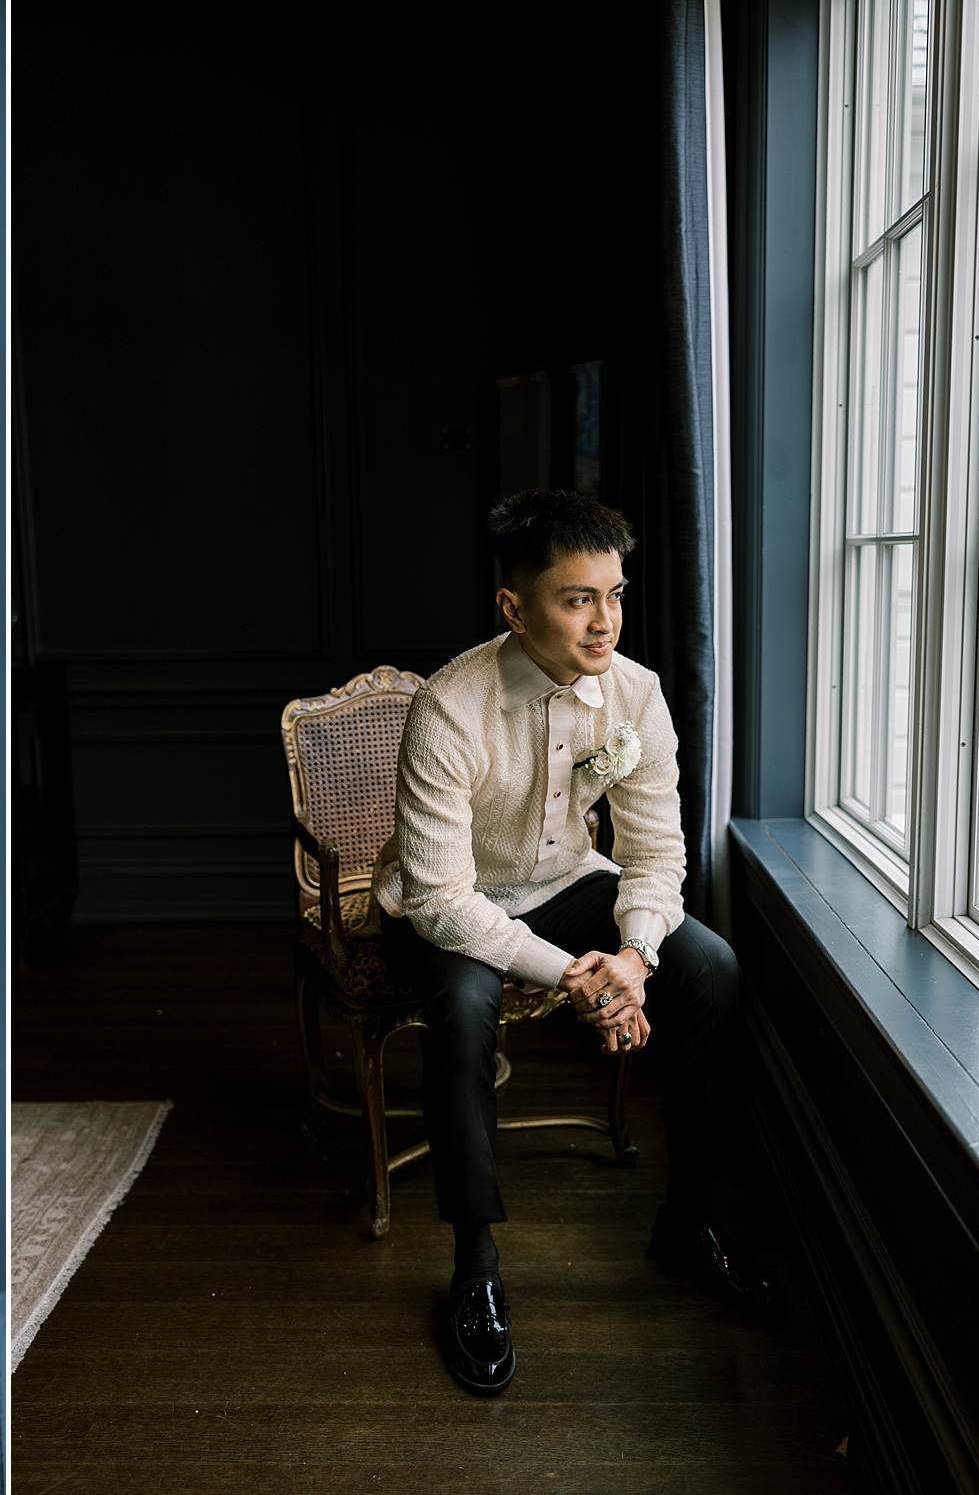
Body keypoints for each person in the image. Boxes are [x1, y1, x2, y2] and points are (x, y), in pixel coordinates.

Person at [371, 488, 776, 1397]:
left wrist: (632, 959)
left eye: (616, 594)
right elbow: (439, 898)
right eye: (578, 598)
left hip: (564, 885)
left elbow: (656, 851)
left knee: (708, 966)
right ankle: (474, 1268)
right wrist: (575, 979)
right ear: (515, 608)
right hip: (450, 907)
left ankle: (690, 1220)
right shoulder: (449, 706)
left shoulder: (635, 693)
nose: (606, 623)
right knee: (467, 1007)